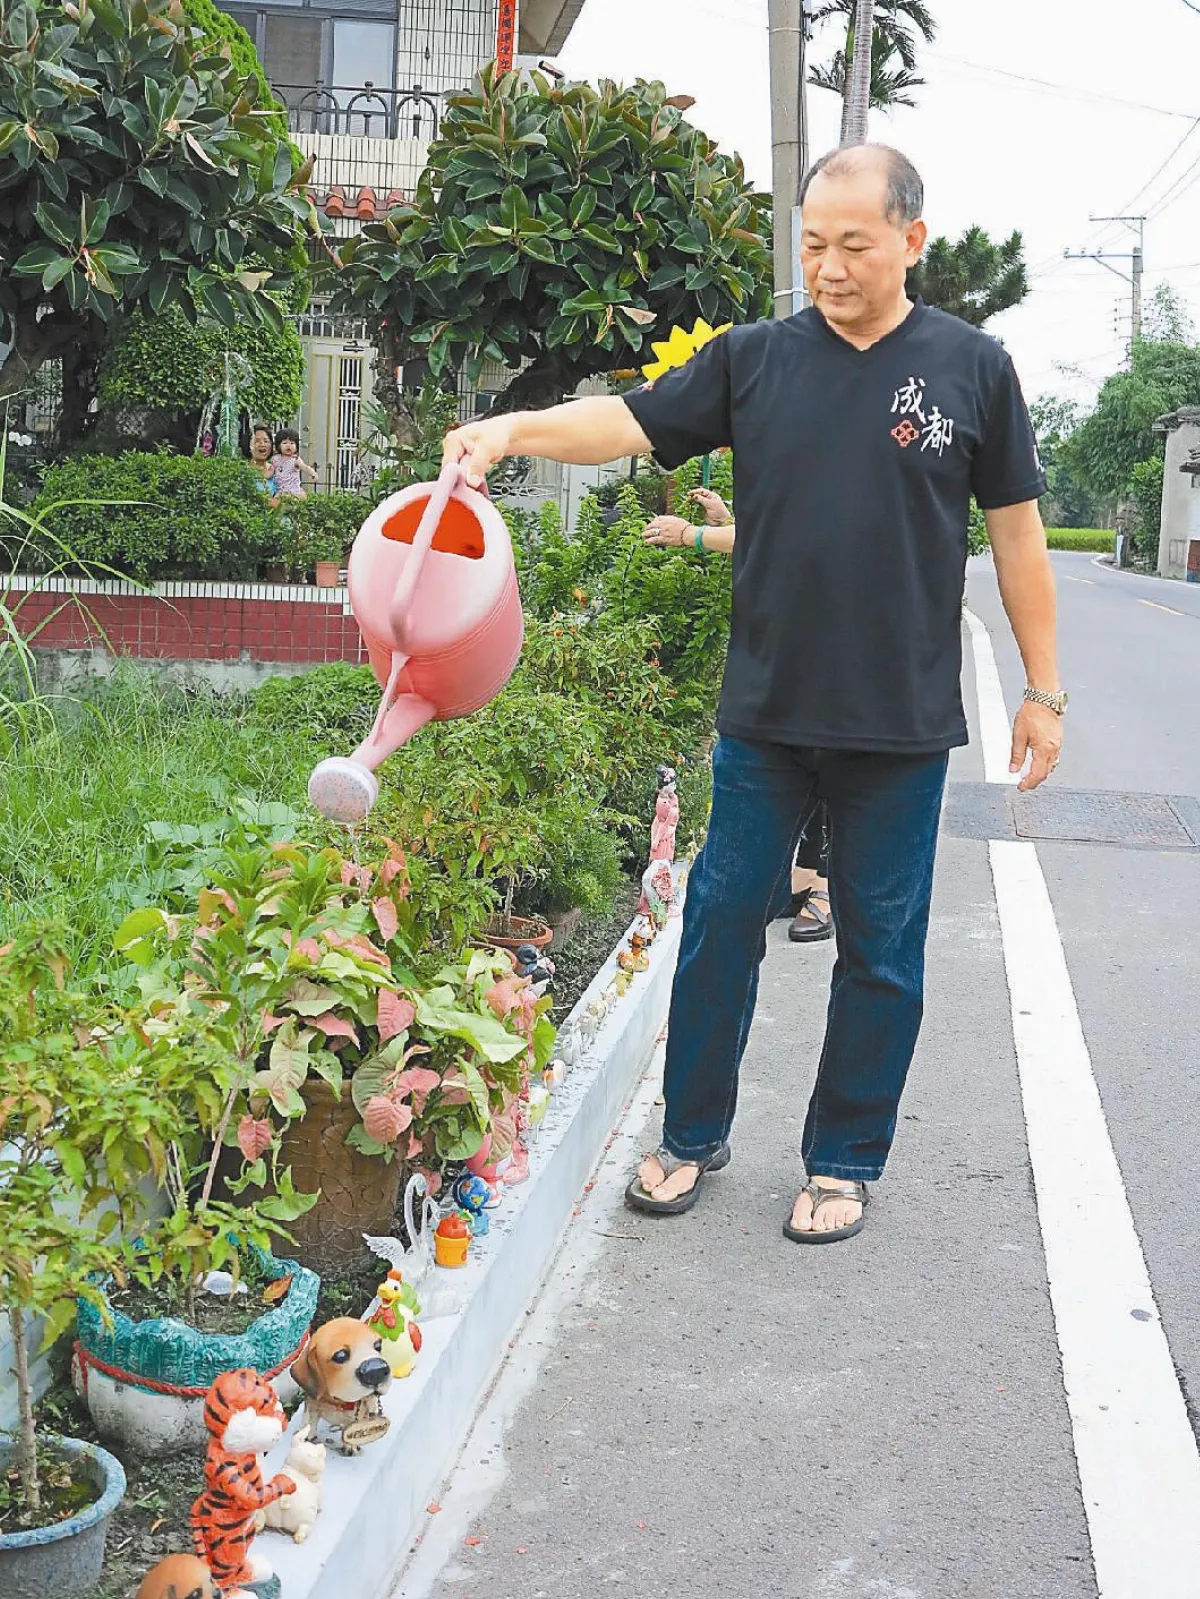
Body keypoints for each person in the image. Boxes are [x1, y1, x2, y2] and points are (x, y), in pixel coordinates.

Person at [442, 144, 1064, 1244]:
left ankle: (843, 1159)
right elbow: (629, 421)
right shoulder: (756, 359)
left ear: (911, 240)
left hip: (899, 724)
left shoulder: (973, 369)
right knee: (722, 922)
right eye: (813, 245)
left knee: (882, 949)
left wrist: (1043, 691)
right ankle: (691, 1136)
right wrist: (512, 429)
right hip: (766, 714)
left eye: (854, 245)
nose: (829, 267)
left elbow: (1018, 535)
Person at [644, 488, 832, 944]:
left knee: (829, 754)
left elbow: (781, 535)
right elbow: (769, 540)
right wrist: (726, 520)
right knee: (801, 756)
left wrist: (691, 534)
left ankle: (826, 887)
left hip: (829, 638)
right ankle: (806, 875)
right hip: (791, 639)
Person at [271, 427, 318, 501]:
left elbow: (304, 467)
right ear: (278, 445)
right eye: (284, 443)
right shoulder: (275, 459)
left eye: (292, 443)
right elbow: (270, 470)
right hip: (280, 491)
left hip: (294, 491)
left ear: (296, 446)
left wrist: (312, 474)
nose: (288, 445)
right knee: (276, 500)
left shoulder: (295, 459)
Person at [248, 424, 278, 507]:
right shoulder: (244, 471)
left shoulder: (275, 468)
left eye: (266, 441)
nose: (262, 444)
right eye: (257, 441)